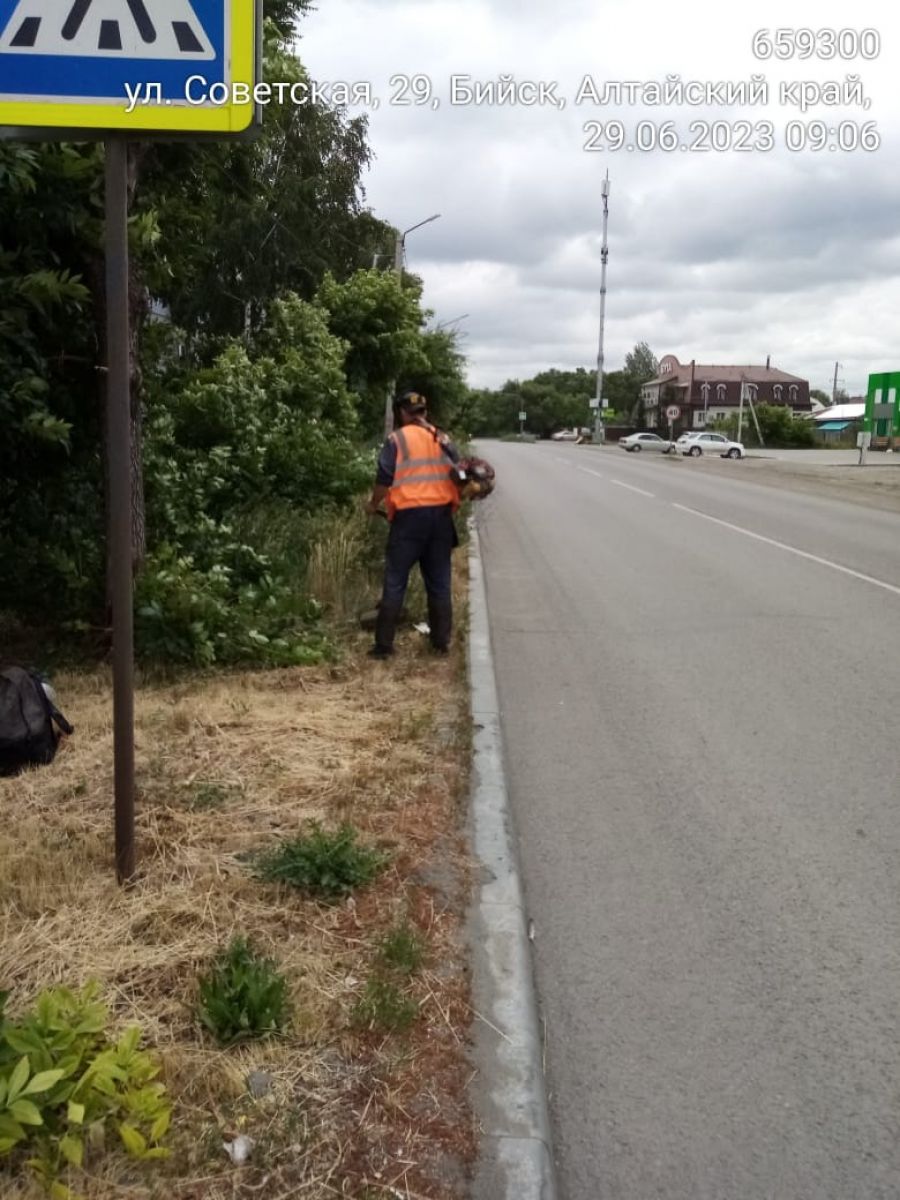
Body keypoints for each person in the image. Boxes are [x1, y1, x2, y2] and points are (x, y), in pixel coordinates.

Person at [366, 391, 461, 658]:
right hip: (441, 518)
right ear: (424, 411)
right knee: (440, 582)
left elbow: (385, 477)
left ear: (402, 413)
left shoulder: (397, 439)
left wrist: (373, 504)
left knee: (396, 580)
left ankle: (384, 647)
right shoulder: (443, 439)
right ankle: (440, 643)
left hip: (409, 519)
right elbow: (460, 472)